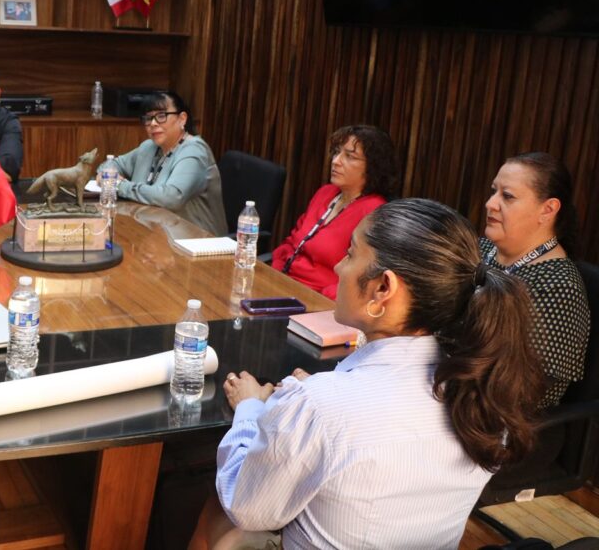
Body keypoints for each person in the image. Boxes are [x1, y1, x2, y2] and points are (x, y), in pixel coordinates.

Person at [192, 198, 545, 549]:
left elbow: (247, 507)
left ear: (383, 288)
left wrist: (252, 409)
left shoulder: (319, 405)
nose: (337, 268)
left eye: (350, 254)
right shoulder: (483, 396)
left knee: (217, 510)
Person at [480, 151, 590, 407]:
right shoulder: (481, 249)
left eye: (507, 196)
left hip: (501, 415)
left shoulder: (559, 288)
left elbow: (524, 388)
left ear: (548, 209)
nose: (490, 203)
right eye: (494, 191)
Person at [271, 124, 398, 299]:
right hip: (282, 284)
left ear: (373, 167)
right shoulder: (325, 193)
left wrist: (320, 299)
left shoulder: (373, 212)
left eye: (350, 156)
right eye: (337, 152)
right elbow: (291, 243)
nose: (336, 161)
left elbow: (362, 279)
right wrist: (275, 273)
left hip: (319, 301)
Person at [108, 91, 227, 236]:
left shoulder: (194, 151)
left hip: (197, 241)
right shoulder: (149, 147)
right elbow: (111, 164)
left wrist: (120, 185)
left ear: (182, 119)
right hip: (155, 233)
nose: (153, 123)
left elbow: (171, 198)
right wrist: (107, 175)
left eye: (161, 116)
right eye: (148, 118)